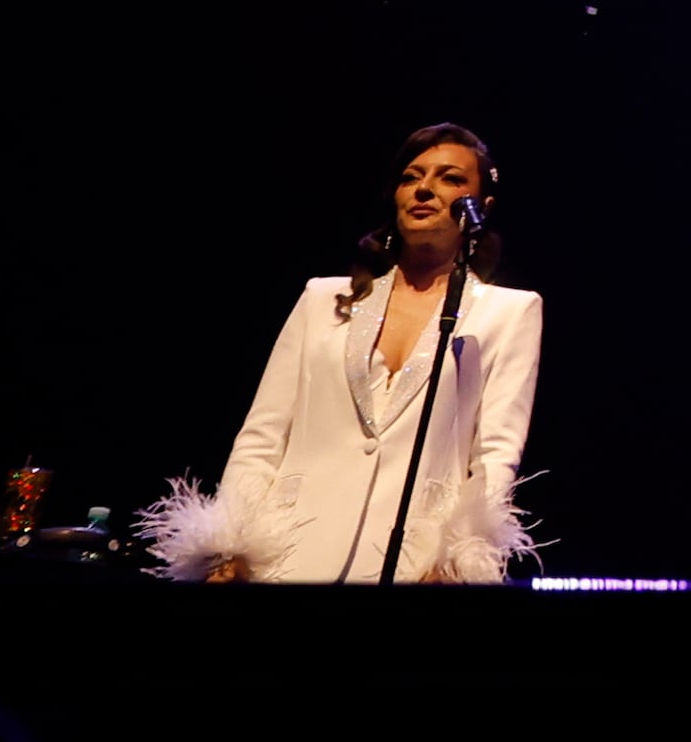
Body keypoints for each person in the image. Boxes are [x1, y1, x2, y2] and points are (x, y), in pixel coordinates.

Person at [151, 125, 541, 584]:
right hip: (285, 561)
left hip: (413, 569)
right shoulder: (324, 300)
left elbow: (495, 455)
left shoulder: (510, 312)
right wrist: (229, 546)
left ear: (482, 204)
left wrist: (456, 561)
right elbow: (262, 436)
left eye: (450, 178)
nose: (424, 188)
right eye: (410, 176)